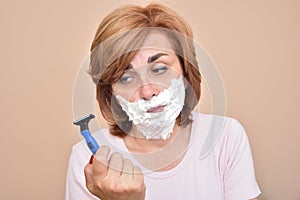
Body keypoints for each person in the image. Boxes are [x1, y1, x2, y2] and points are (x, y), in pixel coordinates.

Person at [66, 3, 261, 200]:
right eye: (126, 78)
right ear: (111, 93)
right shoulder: (89, 160)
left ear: (185, 71)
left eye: (159, 69)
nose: (147, 91)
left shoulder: (225, 137)